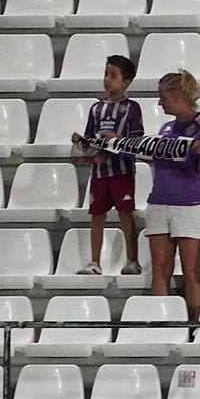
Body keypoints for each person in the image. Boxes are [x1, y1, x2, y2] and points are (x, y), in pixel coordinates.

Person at [139, 69, 200, 318]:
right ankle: (161, 325)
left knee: (191, 271)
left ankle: (194, 328)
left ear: (177, 96)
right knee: (160, 270)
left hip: (193, 203)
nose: (159, 102)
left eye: (162, 96)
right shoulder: (166, 127)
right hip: (159, 201)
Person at [75, 53, 143, 276]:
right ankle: (95, 262)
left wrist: (113, 148)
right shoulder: (96, 109)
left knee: (126, 215)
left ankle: (133, 260)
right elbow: (89, 140)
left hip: (122, 172)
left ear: (126, 82)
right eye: (106, 74)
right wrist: (82, 144)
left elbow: (137, 142)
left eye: (113, 75)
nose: (107, 79)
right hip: (99, 173)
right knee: (97, 216)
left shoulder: (132, 108)